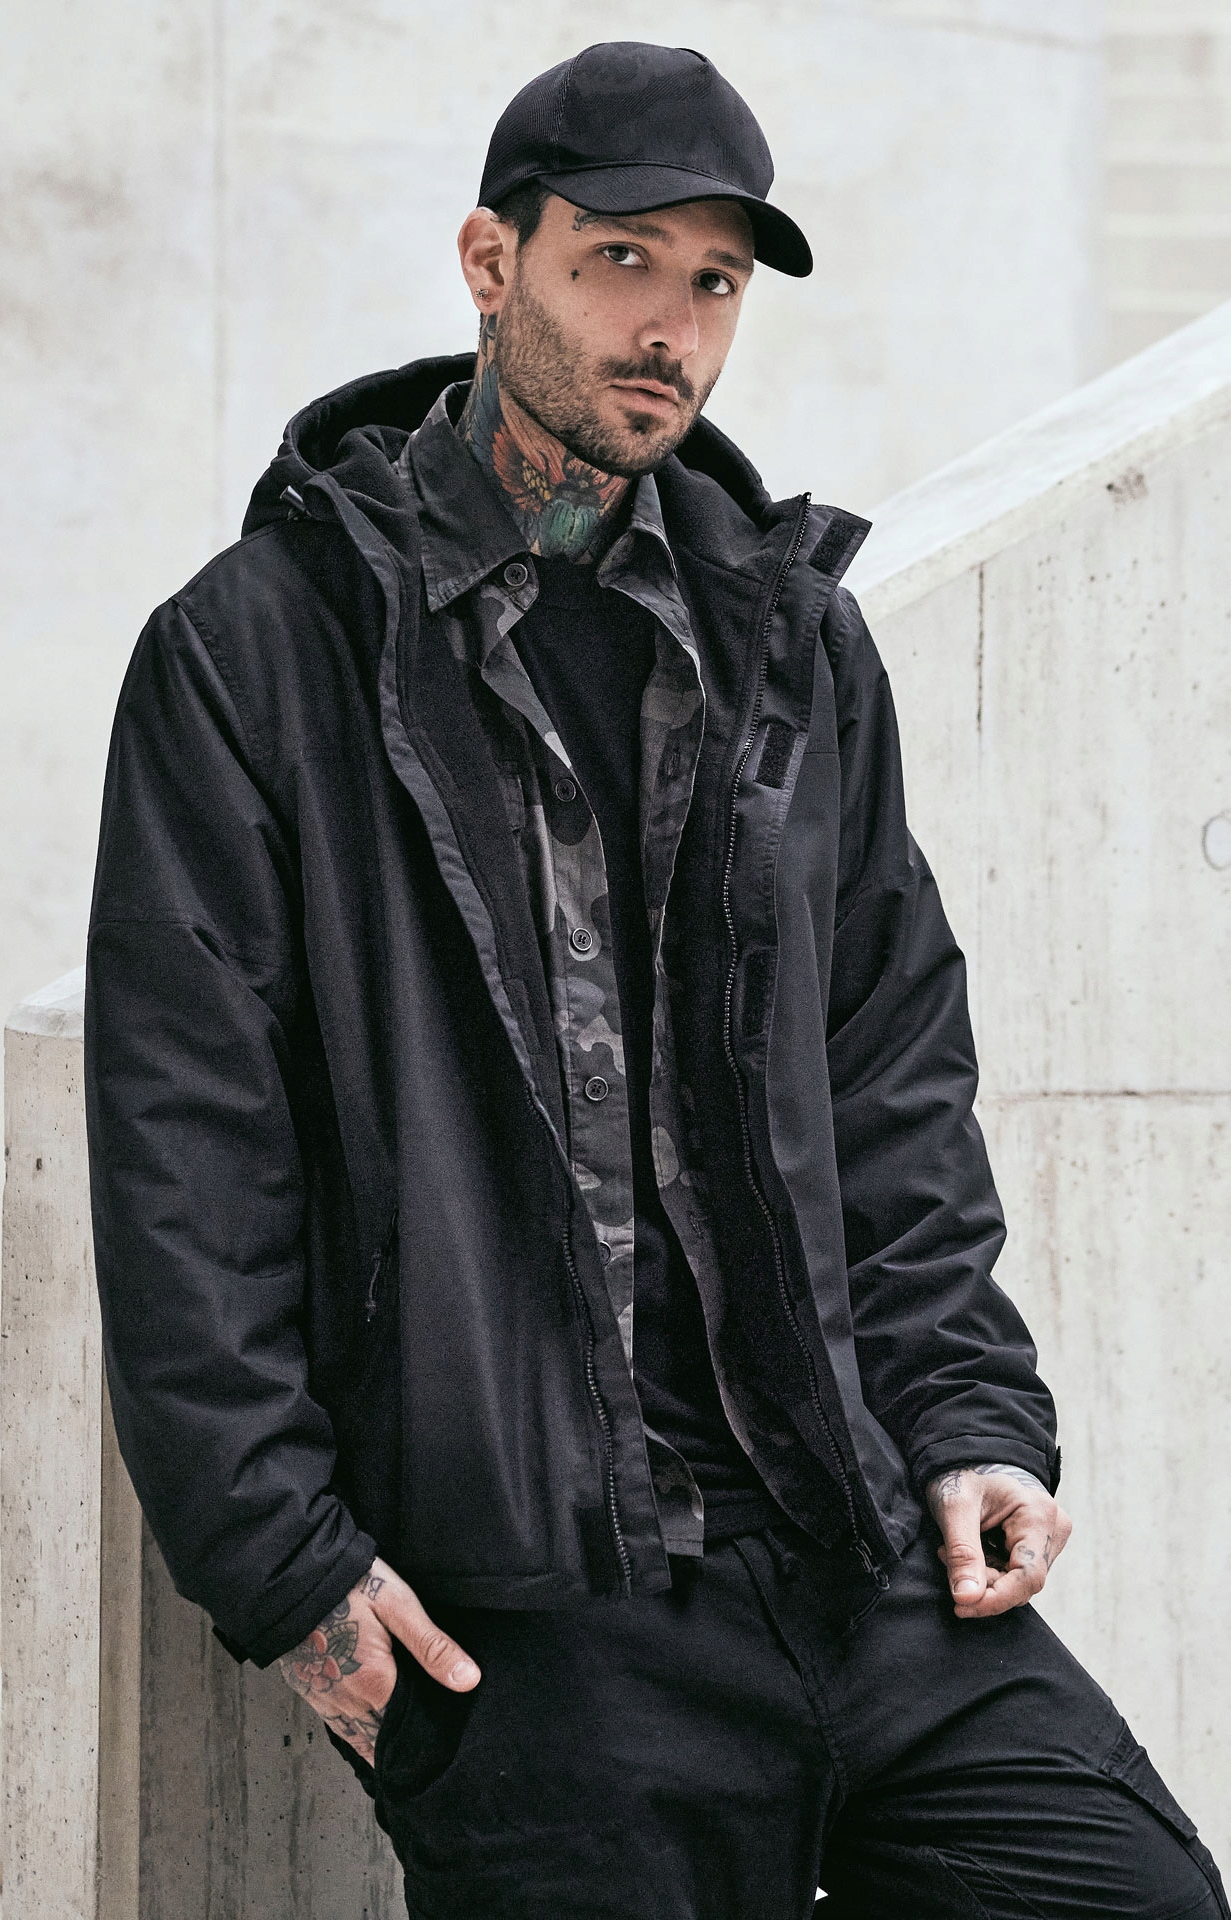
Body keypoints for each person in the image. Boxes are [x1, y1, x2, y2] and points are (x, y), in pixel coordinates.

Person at [84, 40, 1227, 1920]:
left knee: (1135, 1898)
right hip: (533, 1607)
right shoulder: (261, 652)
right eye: (619, 259)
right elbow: (185, 1140)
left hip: (847, 1545)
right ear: (491, 262)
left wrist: (965, 1420)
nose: (671, 330)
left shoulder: (790, 639)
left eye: (714, 282)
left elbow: (889, 1071)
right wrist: (284, 1567)